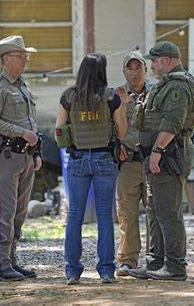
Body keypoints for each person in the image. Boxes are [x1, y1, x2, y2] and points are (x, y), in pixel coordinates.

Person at [128, 41, 194, 281]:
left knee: (168, 211)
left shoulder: (176, 86)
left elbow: (173, 122)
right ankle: (156, 263)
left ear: (168, 60)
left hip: (169, 154)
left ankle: (175, 266)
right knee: (155, 209)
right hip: (163, 154)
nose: (151, 66)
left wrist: (158, 151)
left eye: (155, 61)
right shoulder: (169, 84)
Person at [55, 53, 127, 285]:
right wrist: (123, 106)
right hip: (104, 158)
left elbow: (59, 132)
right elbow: (122, 132)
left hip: (77, 159)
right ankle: (106, 271)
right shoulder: (110, 97)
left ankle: (72, 272)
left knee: (75, 215)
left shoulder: (68, 97)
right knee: (105, 215)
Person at [0, 35, 43, 282]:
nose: (25, 60)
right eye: (21, 56)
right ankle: (2, 265)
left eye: (25, 56)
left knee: (19, 213)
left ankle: (12, 260)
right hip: (5, 158)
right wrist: (21, 133)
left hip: (25, 156)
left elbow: (31, 122)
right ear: (6, 59)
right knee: (5, 212)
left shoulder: (21, 85)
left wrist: (36, 152)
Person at [114, 51, 151, 277]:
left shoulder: (156, 93)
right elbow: (109, 126)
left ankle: (157, 259)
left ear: (146, 70)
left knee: (155, 212)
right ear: (124, 71)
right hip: (127, 162)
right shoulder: (116, 95)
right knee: (126, 213)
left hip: (152, 161)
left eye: (139, 68)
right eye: (130, 68)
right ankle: (128, 260)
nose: (135, 72)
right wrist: (115, 145)